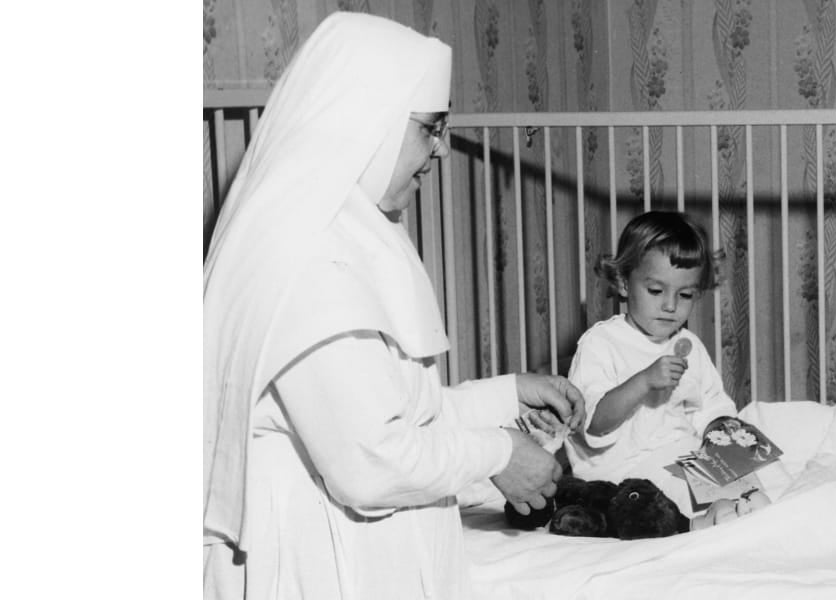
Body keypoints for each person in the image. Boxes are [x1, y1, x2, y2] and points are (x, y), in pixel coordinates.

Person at [203, 13, 584, 599]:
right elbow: (371, 461)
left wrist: (507, 393)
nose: (442, 152)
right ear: (367, 122)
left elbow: (394, 414)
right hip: (312, 559)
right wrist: (499, 452)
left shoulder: (345, 235)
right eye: (430, 129)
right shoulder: (308, 261)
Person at [564, 211, 766, 525]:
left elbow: (712, 406)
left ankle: (738, 509)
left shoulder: (688, 344)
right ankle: (704, 523)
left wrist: (723, 433)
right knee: (677, 493)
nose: (670, 306)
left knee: (751, 484)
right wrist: (643, 382)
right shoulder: (601, 343)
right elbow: (593, 424)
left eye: (685, 295)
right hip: (623, 469)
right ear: (623, 282)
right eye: (656, 291)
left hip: (678, 454)